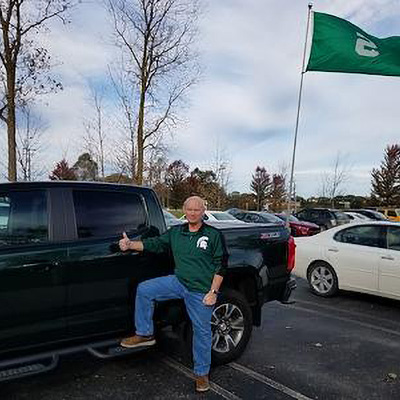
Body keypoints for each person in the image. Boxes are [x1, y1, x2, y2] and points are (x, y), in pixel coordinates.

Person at [119, 196, 227, 393]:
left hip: (201, 290)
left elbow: (221, 265)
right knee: (144, 289)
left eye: (197, 209)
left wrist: (213, 292)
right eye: (189, 209)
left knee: (201, 332)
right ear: (184, 210)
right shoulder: (176, 232)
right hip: (178, 282)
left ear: (203, 211)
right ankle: (144, 333)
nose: (193, 213)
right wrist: (130, 245)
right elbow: (154, 244)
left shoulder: (213, 235)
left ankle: (201, 374)